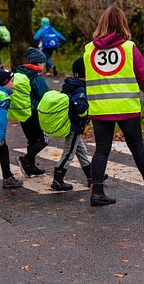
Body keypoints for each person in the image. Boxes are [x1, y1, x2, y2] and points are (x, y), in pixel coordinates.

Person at [85, 6, 144, 206]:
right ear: (122, 24)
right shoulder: (128, 48)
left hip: (101, 109)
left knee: (102, 150)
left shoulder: (89, 50)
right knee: (137, 146)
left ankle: (97, 192)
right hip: (126, 107)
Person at [50, 57, 96, 191]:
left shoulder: (70, 85)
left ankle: (91, 176)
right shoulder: (80, 89)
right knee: (69, 152)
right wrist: (86, 117)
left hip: (70, 123)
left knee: (81, 150)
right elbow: (80, 107)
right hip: (74, 125)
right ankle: (57, 179)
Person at [15, 47, 51, 177]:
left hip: (23, 112)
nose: (44, 65)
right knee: (43, 139)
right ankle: (25, 159)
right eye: (43, 62)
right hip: (34, 113)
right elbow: (44, 96)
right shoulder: (36, 77)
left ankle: (31, 167)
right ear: (37, 63)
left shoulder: (20, 74)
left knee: (32, 140)